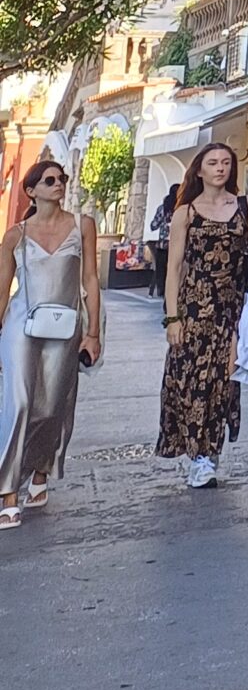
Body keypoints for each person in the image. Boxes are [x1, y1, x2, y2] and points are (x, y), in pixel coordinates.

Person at [157, 143, 248, 489]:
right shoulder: (185, 213)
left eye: (225, 162)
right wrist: (172, 318)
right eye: (212, 163)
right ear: (199, 170)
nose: (220, 168)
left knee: (223, 382)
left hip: (232, 311)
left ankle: (208, 450)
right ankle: (198, 455)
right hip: (193, 309)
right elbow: (173, 269)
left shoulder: (246, 206)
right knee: (191, 381)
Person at [0, 157, 102, 527]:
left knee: (51, 407)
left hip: (65, 325)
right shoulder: (16, 235)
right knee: (21, 403)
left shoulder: (82, 226)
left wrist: (93, 333)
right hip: (20, 327)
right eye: (49, 180)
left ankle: (40, 469)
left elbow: (90, 279)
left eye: (61, 179)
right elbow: (1, 293)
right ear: (32, 190)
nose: (58, 184)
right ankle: (8, 491)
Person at [146, 180, 179, 301]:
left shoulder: (162, 209)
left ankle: (162, 290)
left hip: (163, 245)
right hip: (178, 246)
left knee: (161, 268)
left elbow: (153, 225)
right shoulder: (182, 209)